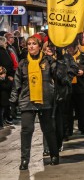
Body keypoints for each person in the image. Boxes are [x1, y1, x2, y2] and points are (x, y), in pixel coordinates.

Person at [9, 35, 68, 170]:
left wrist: (60, 60)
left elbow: (60, 77)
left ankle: (54, 155)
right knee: (26, 130)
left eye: (34, 44)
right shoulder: (23, 63)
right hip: (27, 100)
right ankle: (24, 160)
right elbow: (17, 84)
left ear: (39, 46)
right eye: (28, 44)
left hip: (45, 100)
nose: (31, 46)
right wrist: (12, 102)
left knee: (48, 129)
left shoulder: (48, 61)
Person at [67, 40, 84, 135]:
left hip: (81, 88)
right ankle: (68, 131)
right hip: (68, 88)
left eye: (72, 47)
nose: (70, 49)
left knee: (82, 110)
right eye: (68, 47)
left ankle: (83, 128)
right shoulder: (65, 58)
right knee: (68, 111)